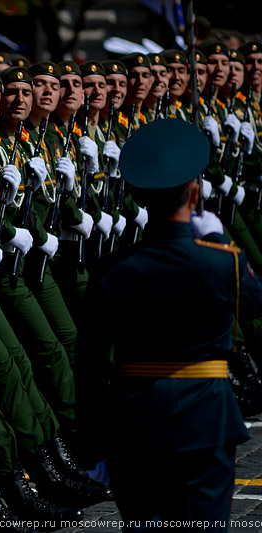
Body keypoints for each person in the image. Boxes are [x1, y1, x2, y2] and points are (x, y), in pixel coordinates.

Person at [77, 118, 260, 530]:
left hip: (134, 418)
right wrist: (219, 243)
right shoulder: (223, 262)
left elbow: (88, 367)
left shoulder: (109, 270)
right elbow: (258, 300)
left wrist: (92, 446)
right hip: (206, 417)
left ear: (139, 198)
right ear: (195, 193)